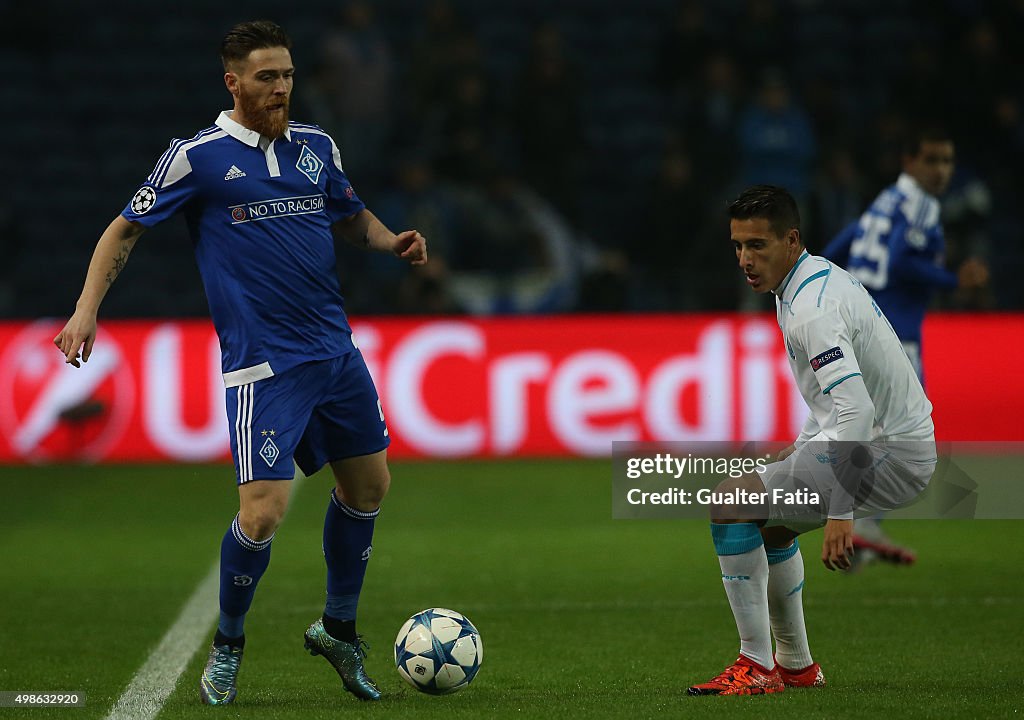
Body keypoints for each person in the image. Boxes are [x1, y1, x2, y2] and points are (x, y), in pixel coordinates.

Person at [53, 21, 427, 706]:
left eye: (286, 74)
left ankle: (338, 630)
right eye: (266, 77)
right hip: (264, 365)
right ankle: (228, 646)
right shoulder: (197, 158)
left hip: (334, 353)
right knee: (262, 513)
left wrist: (388, 240)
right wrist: (86, 309)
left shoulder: (316, 147)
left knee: (370, 488)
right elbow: (124, 228)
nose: (281, 87)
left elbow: (349, 215)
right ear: (234, 82)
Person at [688, 185, 936, 695]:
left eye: (757, 245)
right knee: (771, 529)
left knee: (732, 504)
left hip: (887, 452)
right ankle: (797, 667)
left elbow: (858, 411)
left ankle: (756, 666)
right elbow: (833, 401)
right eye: (737, 246)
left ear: (791, 239)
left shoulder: (811, 309)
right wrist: (802, 444)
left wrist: (842, 513)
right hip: (891, 443)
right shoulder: (806, 282)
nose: (744, 259)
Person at [821, 126, 988, 565]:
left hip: (860, 326)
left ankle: (853, 531)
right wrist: (954, 281)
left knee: (869, 430)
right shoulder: (921, 205)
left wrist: (816, 273)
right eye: (931, 160)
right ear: (909, 162)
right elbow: (900, 259)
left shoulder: (886, 200)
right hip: (893, 335)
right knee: (906, 440)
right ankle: (856, 523)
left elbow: (846, 239)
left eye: (947, 160)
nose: (941, 171)